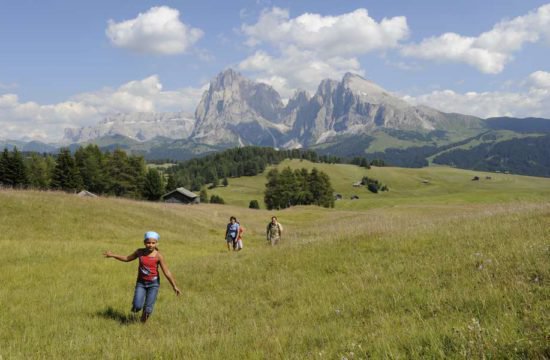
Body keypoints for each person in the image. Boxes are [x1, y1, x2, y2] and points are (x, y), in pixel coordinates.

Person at [103, 231, 181, 323]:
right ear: (144, 243)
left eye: (153, 243)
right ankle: (135, 310)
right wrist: (112, 255)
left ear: (156, 243)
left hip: (153, 285)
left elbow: (166, 272)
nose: (150, 245)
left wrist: (174, 286)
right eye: (148, 242)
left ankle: (141, 324)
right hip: (141, 283)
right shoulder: (139, 252)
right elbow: (127, 258)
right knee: (137, 307)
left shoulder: (158, 256)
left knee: (148, 309)